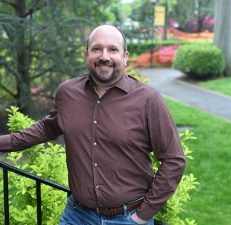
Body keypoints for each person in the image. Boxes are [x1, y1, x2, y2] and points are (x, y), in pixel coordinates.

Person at [0, 25, 185, 225]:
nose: (104, 56)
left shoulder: (148, 100)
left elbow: (173, 160)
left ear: (125, 56)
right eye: (97, 49)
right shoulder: (67, 93)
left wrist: (143, 215)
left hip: (128, 218)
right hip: (77, 215)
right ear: (86, 54)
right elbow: (47, 128)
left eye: (112, 50)